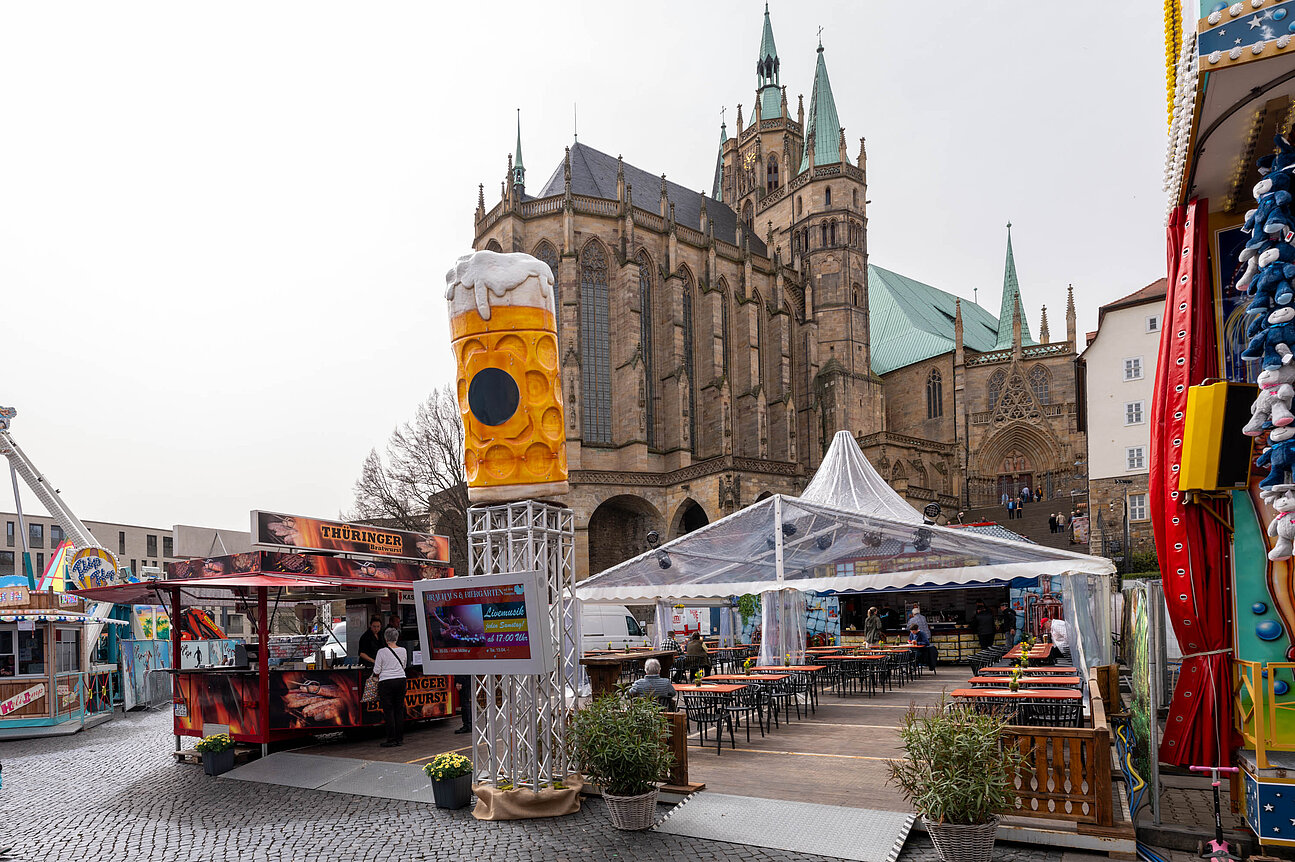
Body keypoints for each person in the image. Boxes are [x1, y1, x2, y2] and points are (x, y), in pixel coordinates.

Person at [373, 627, 408, 747]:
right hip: (401, 680)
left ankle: (391, 738)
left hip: (386, 682)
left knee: (389, 711)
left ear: (385, 638)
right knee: (399, 710)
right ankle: (400, 738)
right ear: (397, 638)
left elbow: (377, 670)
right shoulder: (403, 650)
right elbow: (404, 665)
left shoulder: (381, 652)